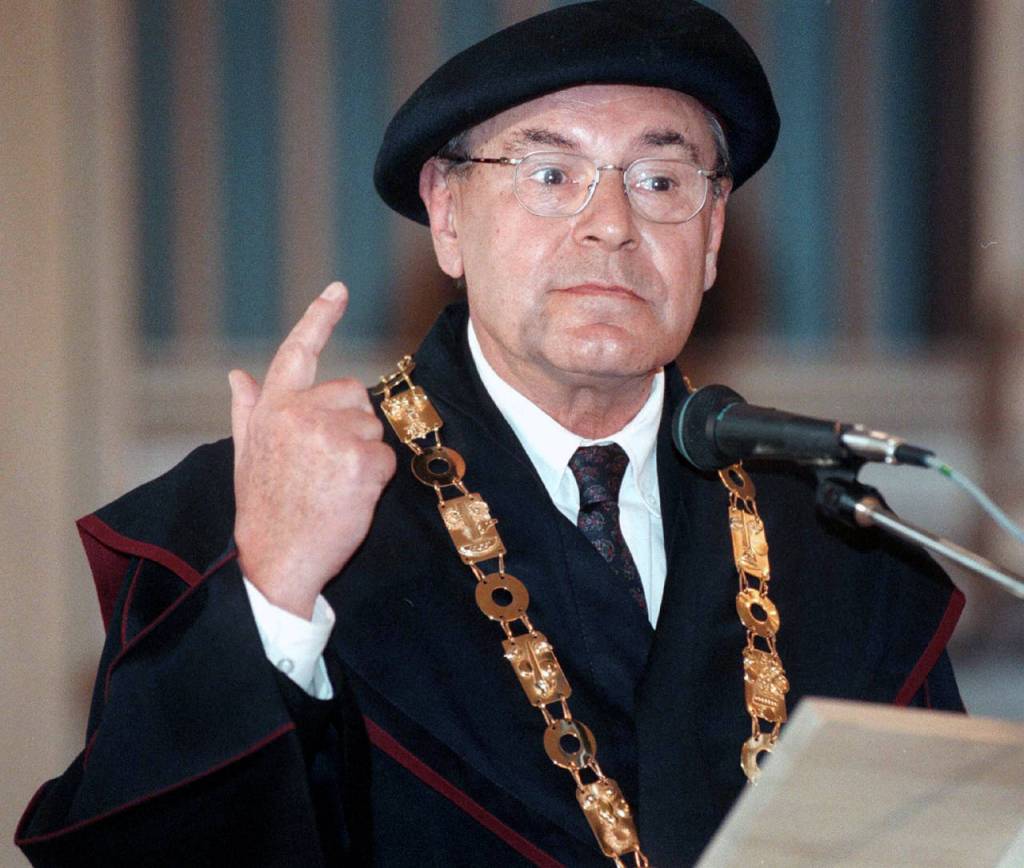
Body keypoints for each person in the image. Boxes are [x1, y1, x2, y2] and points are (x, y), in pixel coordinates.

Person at [16, 2, 963, 865]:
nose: (611, 227)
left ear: (712, 237)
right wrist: (269, 593)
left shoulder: (839, 541)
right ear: (447, 216)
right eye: (551, 174)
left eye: (662, 179)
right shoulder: (271, 501)